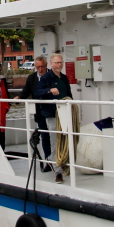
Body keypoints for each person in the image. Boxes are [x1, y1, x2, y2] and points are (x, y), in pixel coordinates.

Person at [35, 53, 71, 183]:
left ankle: (55, 160)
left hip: (65, 113)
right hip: (51, 114)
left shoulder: (64, 78)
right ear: (51, 64)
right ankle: (58, 172)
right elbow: (37, 92)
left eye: (61, 62)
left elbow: (69, 94)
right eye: (57, 63)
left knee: (65, 140)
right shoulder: (45, 78)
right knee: (55, 142)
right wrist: (49, 90)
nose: (59, 65)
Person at [15, 56, 55, 172]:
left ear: (46, 65)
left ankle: (57, 160)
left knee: (54, 136)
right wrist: (19, 97)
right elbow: (26, 91)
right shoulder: (31, 78)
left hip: (52, 111)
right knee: (44, 137)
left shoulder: (52, 76)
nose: (40, 69)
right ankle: (48, 161)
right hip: (40, 112)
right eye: (38, 67)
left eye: (42, 66)